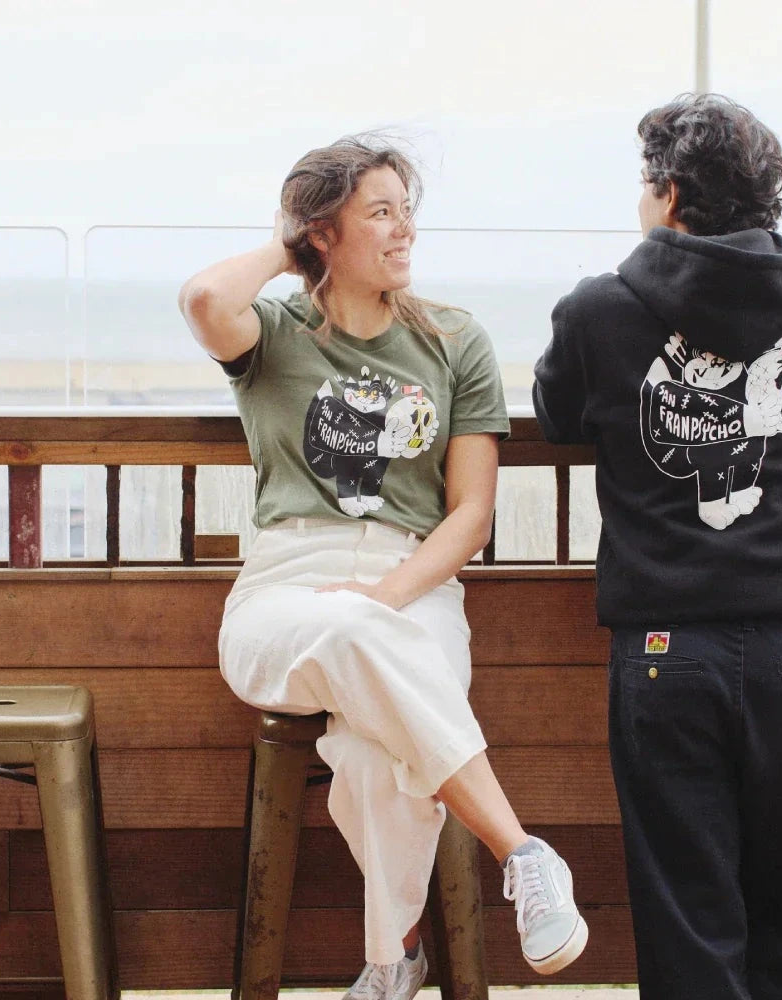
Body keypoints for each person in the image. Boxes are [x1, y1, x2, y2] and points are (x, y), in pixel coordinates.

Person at [178, 134, 587, 1000]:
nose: (405, 232)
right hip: (285, 584)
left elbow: (470, 514)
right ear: (324, 233)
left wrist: (387, 595)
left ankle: (391, 965)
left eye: (409, 211)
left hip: (418, 582)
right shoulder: (273, 335)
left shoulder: (454, 341)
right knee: (353, 640)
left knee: (372, 758)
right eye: (381, 213)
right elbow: (207, 295)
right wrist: (293, 243)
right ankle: (524, 853)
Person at [531, 94, 782, 1000]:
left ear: (671, 192)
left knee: (686, 904)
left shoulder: (600, 310)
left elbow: (555, 411)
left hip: (664, 647)